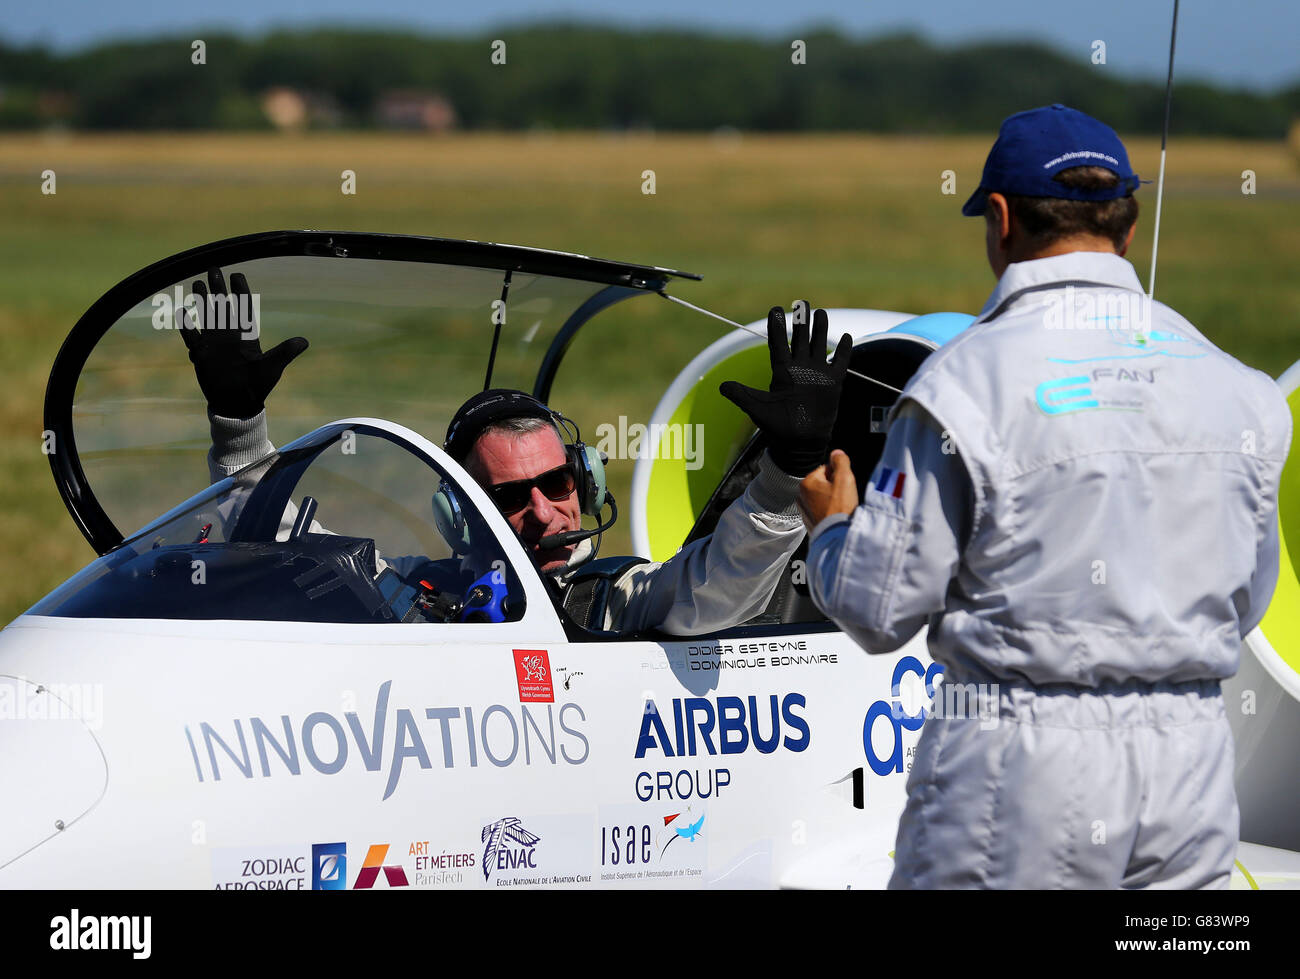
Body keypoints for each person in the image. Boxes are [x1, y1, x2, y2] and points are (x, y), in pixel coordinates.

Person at [799, 104, 1292, 888]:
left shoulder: (963, 383)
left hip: (1016, 766)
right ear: (1128, 229)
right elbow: (1248, 601)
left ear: (999, 221)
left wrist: (831, 529)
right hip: (1192, 768)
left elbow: (876, 607)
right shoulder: (1246, 395)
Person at [179, 269, 852, 634]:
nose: (543, 511)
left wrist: (784, 472)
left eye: (556, 484)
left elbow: (718, 590)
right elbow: (290, 547)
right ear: (458, 516)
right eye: (507, 498)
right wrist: (241, 430)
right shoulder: (414, 591)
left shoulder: (613, 599)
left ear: (582, 483)